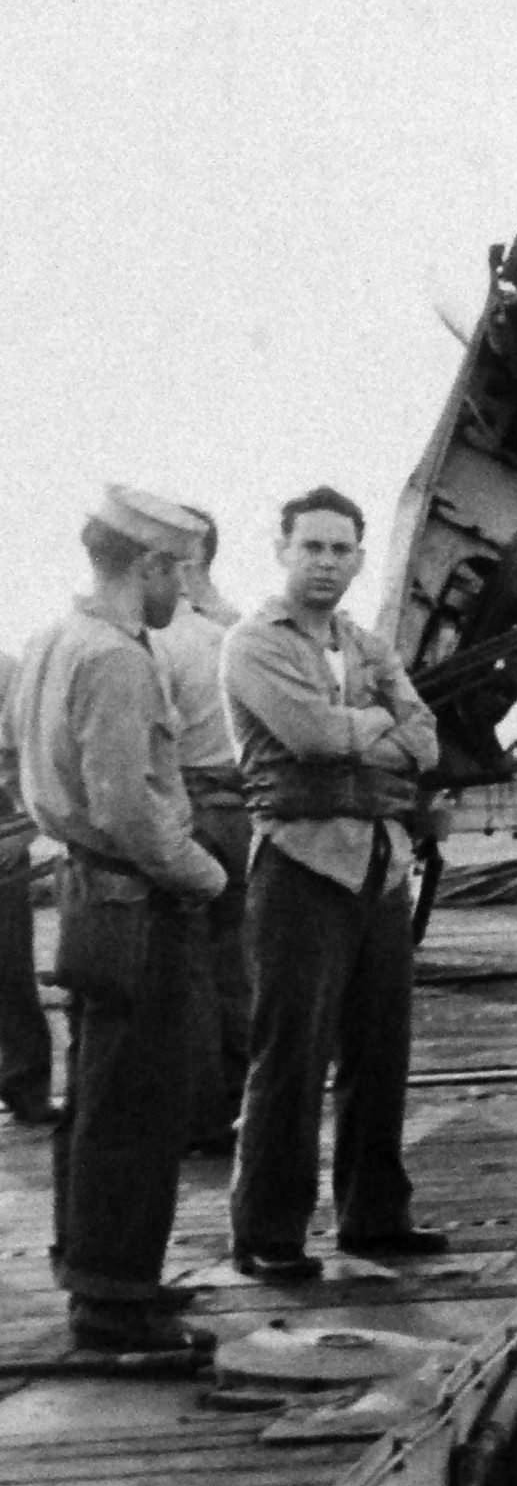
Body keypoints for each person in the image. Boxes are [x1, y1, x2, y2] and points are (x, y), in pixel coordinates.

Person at [10, 488, 228, 1352]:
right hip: (138, 902)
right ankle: (114, 1301)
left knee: (98, 1096)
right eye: (184, 568)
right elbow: (127, 808)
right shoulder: (116, 659)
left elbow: (49, 788)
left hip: (85, 894)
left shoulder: (53, 642)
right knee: (138, 1101)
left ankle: (103, 1275)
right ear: (151, 565)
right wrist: (204, 873)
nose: (189, 588)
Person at [223, 486, 444, 1282]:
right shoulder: (253, 644)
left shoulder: (364, 641)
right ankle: (268, 1235)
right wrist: (376, 726)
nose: (325, 562)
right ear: (282, 551)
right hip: (300, 868)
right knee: (291, 1054)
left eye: (340, 548)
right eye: (310, 546)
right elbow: (311, 737)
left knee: (380, 1054)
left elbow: (426, 740)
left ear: (358, 557)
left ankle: (375, 1218)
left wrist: (373, 734)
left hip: (381, 869)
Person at [155, 508, 250, 1157]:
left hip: (188, 810)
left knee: (186, 969)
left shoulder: (157, 643)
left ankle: (200, 1117)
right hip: (244, 812)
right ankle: (243, 1101)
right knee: (236, 963)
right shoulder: (239, 633)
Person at [0, 651, 58, 1126]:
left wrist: (23, 832)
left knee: (9, 973)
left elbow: (30, 755)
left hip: (0, 848)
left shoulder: (7, 671)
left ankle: (25, 1084)